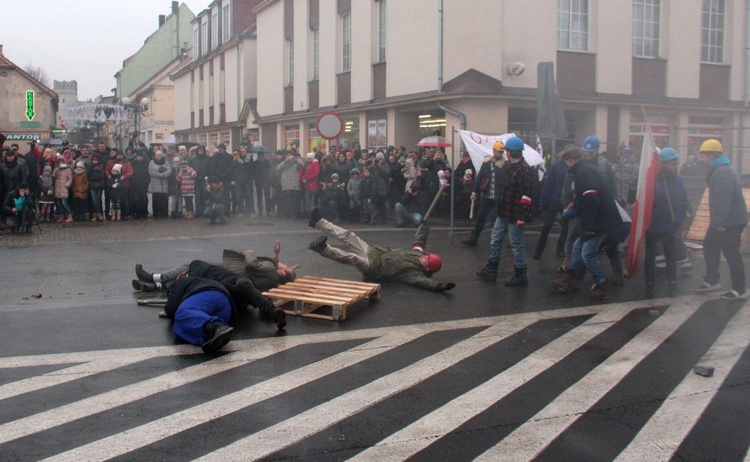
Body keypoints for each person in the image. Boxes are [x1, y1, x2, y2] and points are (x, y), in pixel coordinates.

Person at [307, 207, 454, 292]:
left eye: (426, 260)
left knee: (354, 259)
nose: (423, 257)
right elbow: (420, 240)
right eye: (425, 256)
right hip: (373, 252)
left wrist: (440, 286)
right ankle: (319, 222)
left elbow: (425, 283)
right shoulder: (418, 253)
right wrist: (425, 225)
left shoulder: (414, 274)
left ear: (428, 267)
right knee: (349, 236)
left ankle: (323, 249)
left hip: (373, 269)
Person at [546, 146, 623, 299]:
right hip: (602, 217)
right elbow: (588, 197)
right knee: (577, 246)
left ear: (571, 160)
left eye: (567, 162)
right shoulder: (588, 170)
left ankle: (601, 282)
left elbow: (591, 199)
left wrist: (588, 226)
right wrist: (575, 205)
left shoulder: (582, 173)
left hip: (599, 221)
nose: (567, 165)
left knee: (587, 253)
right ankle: (568, 278)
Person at [693, 139, 748, 299]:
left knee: (731, 253)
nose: (702, 159)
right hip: (726, 219)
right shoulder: (721, 169)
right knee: (710, 246)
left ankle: (739, 289)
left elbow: (723, 200)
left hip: (730, 221)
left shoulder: (722, 172)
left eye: (703, 155)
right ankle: (712, 280)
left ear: (712, 155)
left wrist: (719, 224)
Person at [476, 137, 534, 286]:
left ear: (509, 152)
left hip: (514, 215)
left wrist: (522, 216)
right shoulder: (510, 167)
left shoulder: (524, 170)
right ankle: (492, 268)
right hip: (504, 212)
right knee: (495, 238)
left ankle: (521, 273)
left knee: (516, 243)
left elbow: (526, 195)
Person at [643, 148, 689, 298]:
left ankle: (672, 286)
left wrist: (679, 221)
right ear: (662, 164)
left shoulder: (678, 180)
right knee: (650, 257)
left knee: (671, 256)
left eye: (676, 163)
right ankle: (649, 285)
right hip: (653, 225)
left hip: (670, 225)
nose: (675, 167)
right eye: (672, 164)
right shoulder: (652, 181)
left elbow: (683, 201)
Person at [162, 276, 237, 352]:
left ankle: (216, 326)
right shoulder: (197, 281)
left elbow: (171, 308)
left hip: (209, 293)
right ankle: (209, 339)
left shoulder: (178, 283)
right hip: (225, 306)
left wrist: (170, 300)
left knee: (182, 312)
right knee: (178, 327)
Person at [461, 141, 505, 247]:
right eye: (499, 151)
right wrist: (474, 192)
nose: (501, 154)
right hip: (486, 196)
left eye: (502, 152)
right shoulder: (486, 163)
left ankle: (498, 240)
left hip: (499, 197)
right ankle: (474, 239)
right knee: (480, 217)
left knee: (499, 219)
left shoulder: (505, 165)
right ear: (494, 151)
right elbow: (479, 178)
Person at [533, 151, 568, 259]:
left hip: (564, 201)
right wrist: (543, 203)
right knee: (548, 226)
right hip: (555, 201)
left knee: (565, 227)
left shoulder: (569, 167)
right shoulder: (556, 166)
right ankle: (539, 250)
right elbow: (548, 185)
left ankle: (559, 249)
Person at [148, 150, 172, 219]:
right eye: (156, 156)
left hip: (164, 184)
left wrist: (164, 175)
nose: (157, 157)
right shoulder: (152, 162)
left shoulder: (166, 162)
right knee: (156, 199)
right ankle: (156, 213)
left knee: (164, 200)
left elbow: (169, 170)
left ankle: (164, 213)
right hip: (155, 183)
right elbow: (151, 171)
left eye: (159, 156)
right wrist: (159, 175)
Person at [52, 157, 73, 223]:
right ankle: (61, 216)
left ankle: (70, 216)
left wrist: (67, 184)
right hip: (57, 188)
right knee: (59, 204)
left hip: (64, 187)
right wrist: (58, 168)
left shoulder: (68, 169)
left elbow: (70, 178)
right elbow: (54, 175)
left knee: (64, 203)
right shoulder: (56, 169)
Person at [87, 154, 106, 222]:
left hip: (99, 185)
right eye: (93, 159)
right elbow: (89, 175)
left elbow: (101, 175)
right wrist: (96, 176)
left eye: (96, 159)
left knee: (98, 200)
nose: (95, 161)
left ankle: (98, 214)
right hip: (92, 186)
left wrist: (94, 176)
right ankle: (96, 214)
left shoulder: (101, 166)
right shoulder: (90, 166)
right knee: (94, 201)